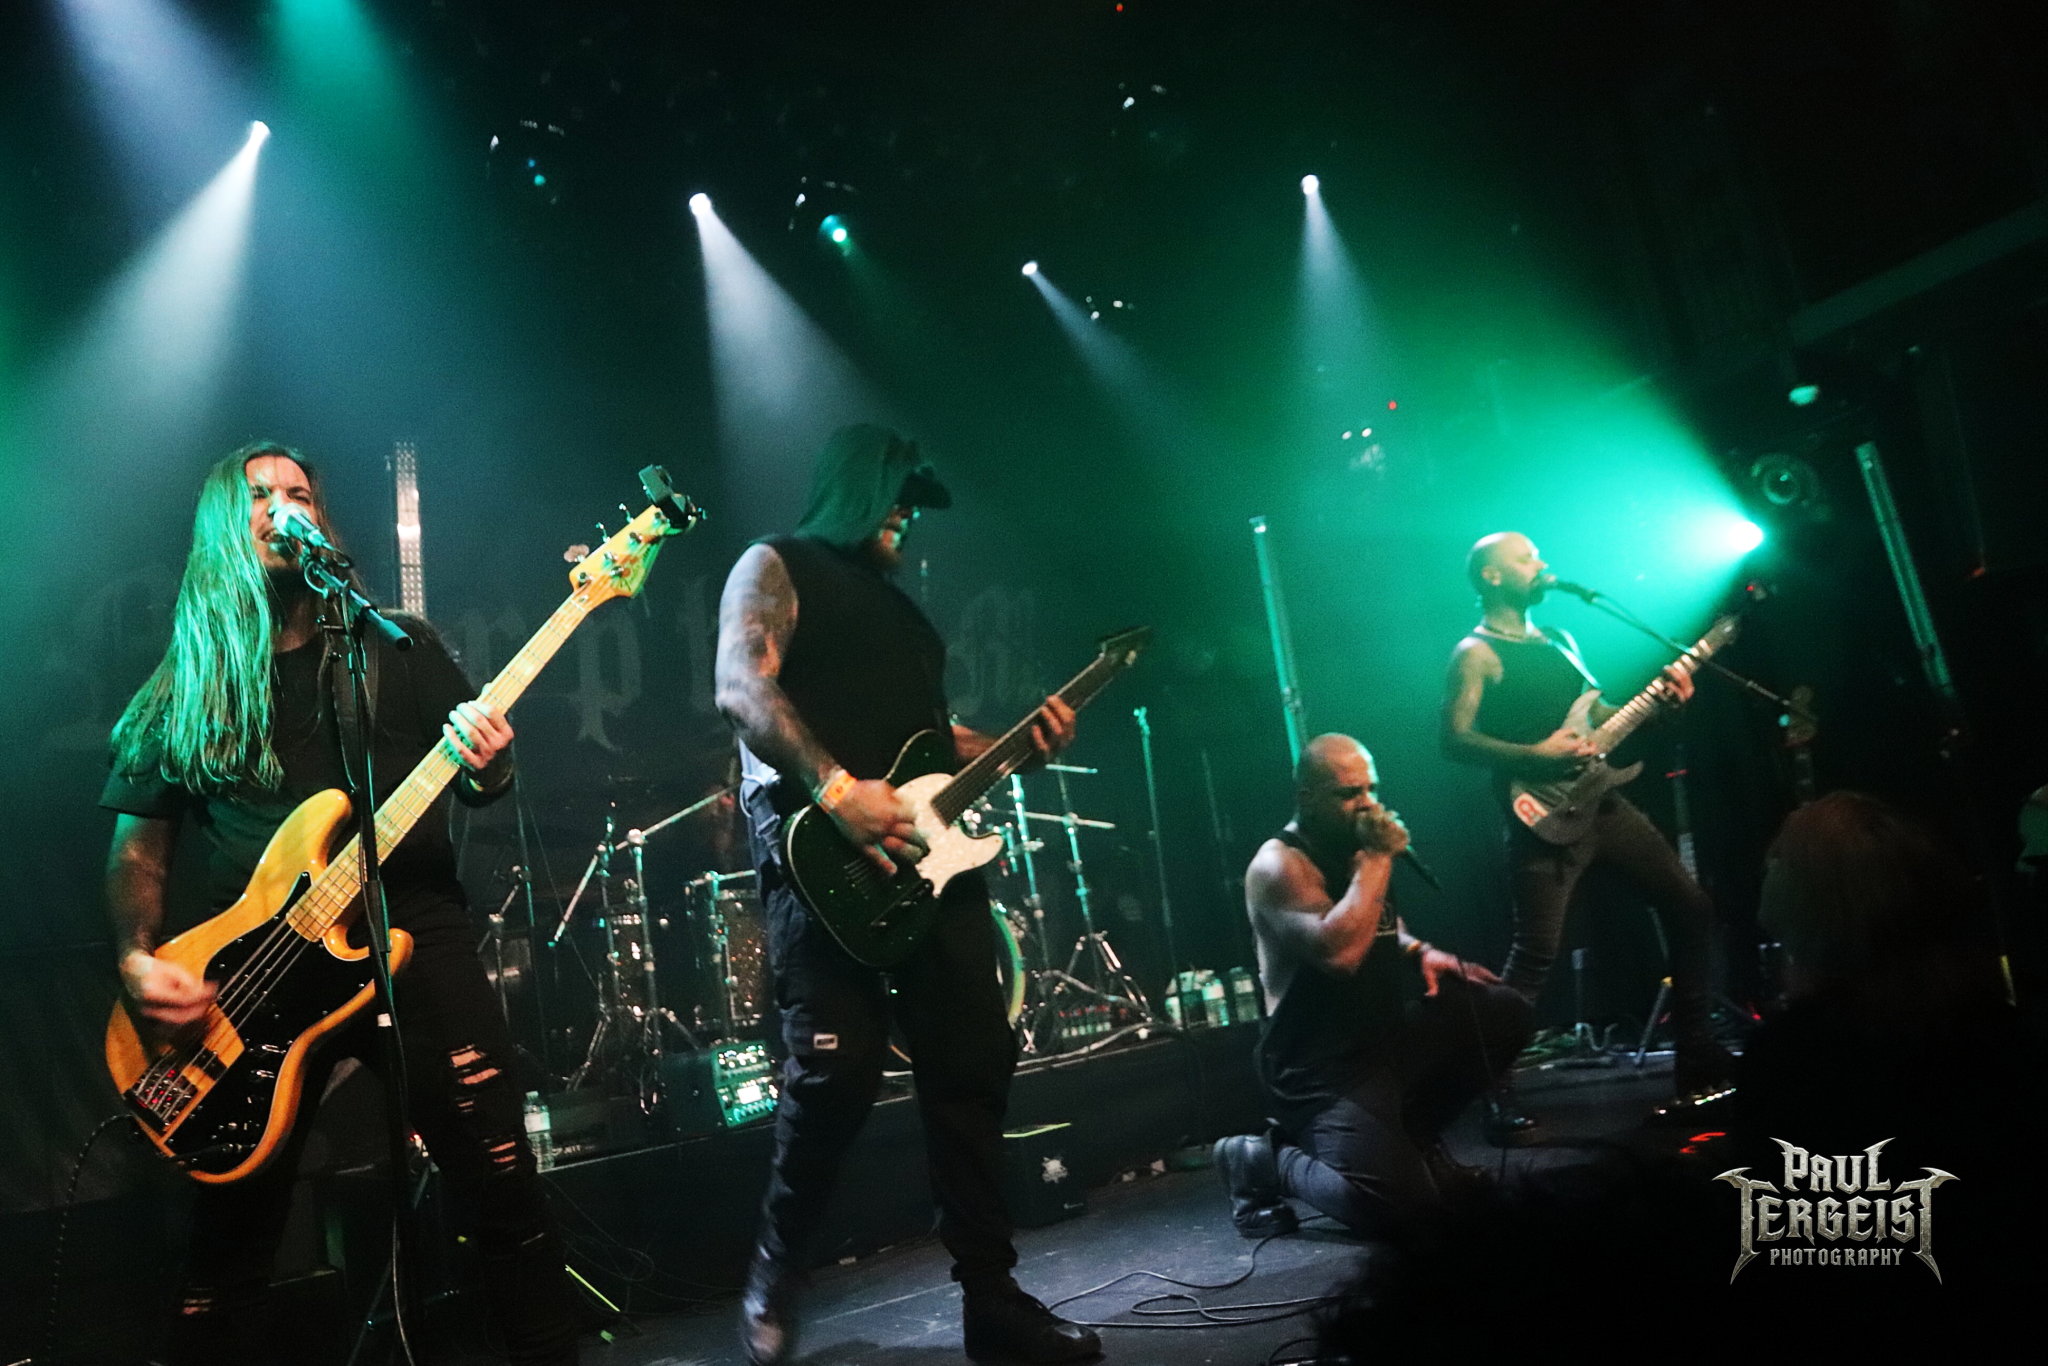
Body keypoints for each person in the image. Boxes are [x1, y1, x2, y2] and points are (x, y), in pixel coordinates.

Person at [102, 443, 579, 1366]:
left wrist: (492, 761)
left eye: (300, 494)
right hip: (249, 984)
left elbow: (480, 779)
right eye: (261, 495)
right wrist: (134, 958)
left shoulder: (394, 646)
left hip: (413, 934)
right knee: (230, 1243)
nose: (284, 507)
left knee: (501, 1185)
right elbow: (137, 848)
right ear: (222, 526)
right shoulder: (184, 683)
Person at [712, 424, 1097, 1366]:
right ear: (857, 487)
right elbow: (741, 689)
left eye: (914, 508)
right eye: (897, 499)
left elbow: (931, 738)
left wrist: (1016, 744)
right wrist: (838, 791)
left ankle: (992, 1298)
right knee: (834, 1078)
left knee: (971, 1065)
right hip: (821, 862)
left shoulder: (905, 616)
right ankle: (777, 1268)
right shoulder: (776, 566)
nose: (907, 519)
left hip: (932, 865)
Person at [1441, 532, 1732, 1126]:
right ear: (1492, 576)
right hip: (1540, 817)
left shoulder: (1560, 640)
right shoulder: (1475, 653)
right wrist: (1534, 756)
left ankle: (1697, 1054)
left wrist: (1662, 705)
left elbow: (1598, 717)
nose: (1541, 563)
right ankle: (1491, 1086)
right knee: (1534, 959)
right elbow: (1454, 739)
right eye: (1526, 557)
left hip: (1603, 805)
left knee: (1691, 907)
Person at [1214, 734, 1533, 1239]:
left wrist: (1418, 950)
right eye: (1348, 794)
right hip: (1319, 1069)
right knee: (1404, 1213)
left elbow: (1377, 918)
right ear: (1306, 798)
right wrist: (1378, 860)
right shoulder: (1279, 866)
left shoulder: (1356, 848)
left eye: (1371, 789)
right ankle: (1265, 1161)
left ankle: (1415, 1143)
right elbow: (1338, 954)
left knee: (1503, 1010)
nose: (1366, 803)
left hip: (1383, 1041)